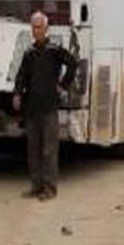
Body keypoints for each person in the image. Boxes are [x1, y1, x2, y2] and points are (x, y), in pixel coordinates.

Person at [13, 11, 78, 201]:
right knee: (33, 149)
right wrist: (17, 93)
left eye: (39, 27)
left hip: (49, 107)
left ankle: (50, 188)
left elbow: (73, 64)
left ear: (46, 28)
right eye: (34, 27)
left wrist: (63, 85)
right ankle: (36, 186)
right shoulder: (29, 53)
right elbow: (21, 76)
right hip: (32, 107)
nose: (36, 30)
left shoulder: (54, 50)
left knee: (49, 150)